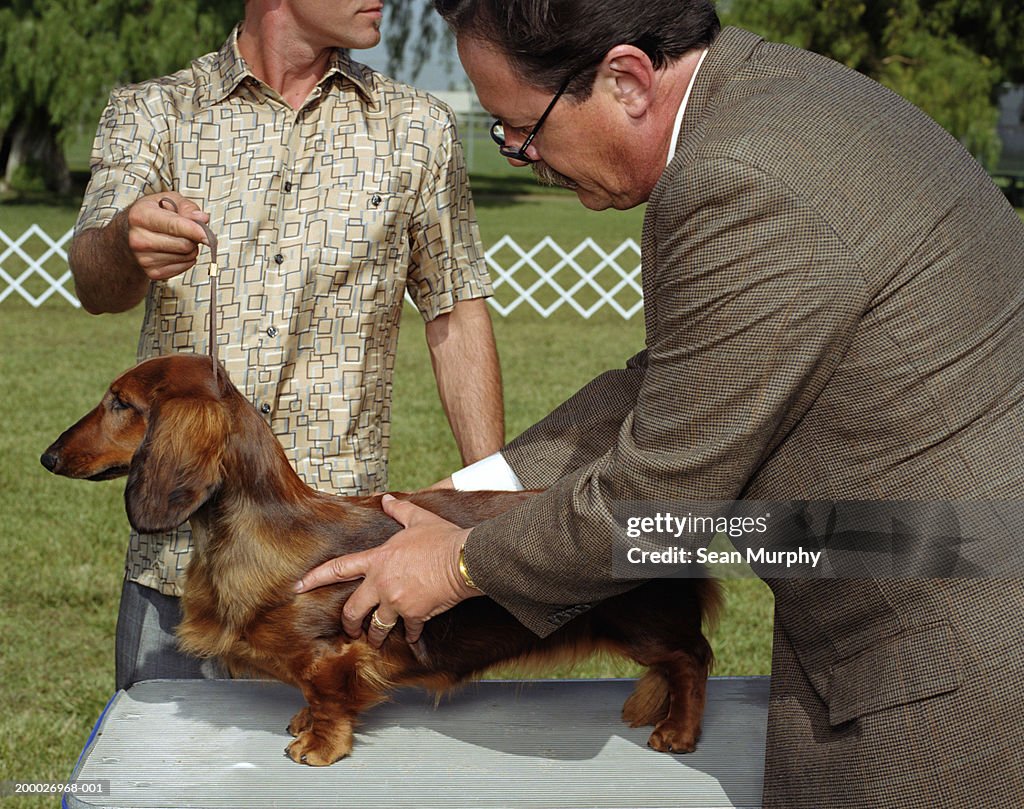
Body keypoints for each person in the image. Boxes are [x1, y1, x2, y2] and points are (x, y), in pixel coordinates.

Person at [295, 1, 1024, 806]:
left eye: (519, 126)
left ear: (626, 80)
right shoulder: (786, 100)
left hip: (951, 666)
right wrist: (467, 502)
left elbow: (656, 500)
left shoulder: (737, 179)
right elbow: (669, 383)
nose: (520, 155)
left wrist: (460, 563)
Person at [68, 0, 504, 693]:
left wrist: (492, 505)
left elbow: (454, 308)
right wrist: (125, 239)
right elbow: (95, 281)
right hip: (182, 564)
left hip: (335, 579)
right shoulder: (154, 113)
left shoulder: (419, 129)